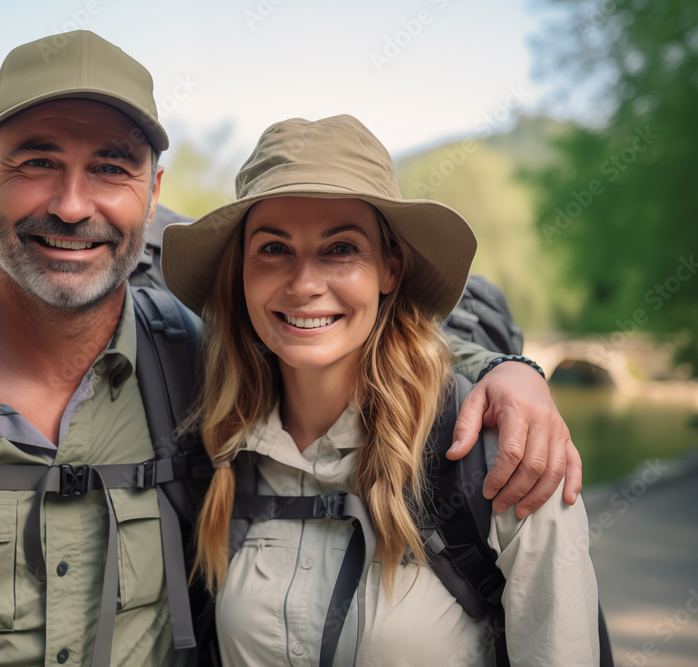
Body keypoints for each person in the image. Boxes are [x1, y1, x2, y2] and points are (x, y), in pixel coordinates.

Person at [0, 31, 582, 667]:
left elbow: (350, 340)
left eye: (112, 166)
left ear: (153, 194)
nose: (74, 204)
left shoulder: (200, 369)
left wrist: (509, 374)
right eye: (37, 161)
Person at [162, 115, 599, 665]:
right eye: (273, 249)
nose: (304, 284)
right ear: (241, 272)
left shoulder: (504, 458)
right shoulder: (220, 451)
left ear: (390, 268)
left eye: (340, 249)